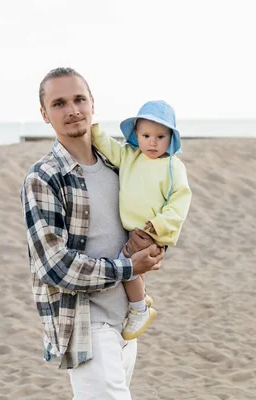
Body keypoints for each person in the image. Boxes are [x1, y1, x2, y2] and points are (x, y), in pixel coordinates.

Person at [21, 66, 164, 399]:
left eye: (78, 99)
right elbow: (54, 266)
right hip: (85, 323)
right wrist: (130, 268)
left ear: (92, 104)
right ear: (44, 114)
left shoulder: (120, 165)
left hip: (127, 322)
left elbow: (143, 222)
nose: (72, 110)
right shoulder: (43, 178)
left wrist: (155, 250)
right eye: (59, 103)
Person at [91, 100, 192, 340]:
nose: (153, 142)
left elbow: (180, 199)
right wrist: (94, 130)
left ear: (171, 139)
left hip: (151, 229)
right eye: (146, 135)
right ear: (137, 134)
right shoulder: (130, 155)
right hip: (131, 227)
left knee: (127, 264)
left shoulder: (172, 166)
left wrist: (160, 224)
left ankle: (139, 309)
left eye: (160, 136)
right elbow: (109, 147)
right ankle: (141, 295)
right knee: (134, 267)